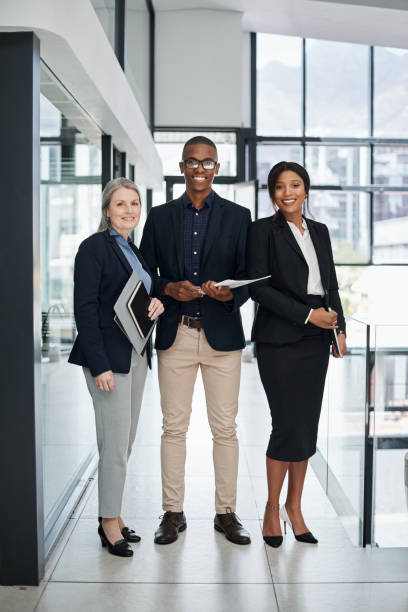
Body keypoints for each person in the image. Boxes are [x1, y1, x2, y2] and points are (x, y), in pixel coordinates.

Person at [140, 136, 252, 545]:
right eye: (192, 162)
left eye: (207, 163)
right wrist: (169, 289)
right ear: (182, 166)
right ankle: (172, 512)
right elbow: (144, 273)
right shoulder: (159, 216)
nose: (200, 169)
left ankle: (226, 514)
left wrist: (230, 294)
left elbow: (248, 275)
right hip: (177, 334)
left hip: (222, 335)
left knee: (225, 429)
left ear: (217, 168)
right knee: (174, 428)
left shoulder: (240, 217)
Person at [246, 161, 347, 548]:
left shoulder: (319, 231)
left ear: (306, 190)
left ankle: (295, 507)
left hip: (317, 340)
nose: (287, 192)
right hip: (279, 339)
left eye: (295, 185)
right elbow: (258, 289)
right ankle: (272, 509)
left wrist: (338, 330)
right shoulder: (262, 231)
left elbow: (331, 284)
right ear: (272, 193)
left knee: (305, 425)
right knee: (285, 424)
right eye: (279, 187)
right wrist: (308, 315)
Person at [68, 177, 164, 557]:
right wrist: (99, 365)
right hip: (108, 361)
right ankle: (109, 523)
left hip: (136, 355)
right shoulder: (93, 248)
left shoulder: (132, 250)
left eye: (134, 204)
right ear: (107, 210)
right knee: (113, 444)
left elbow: (142, 294)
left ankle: (115, 514)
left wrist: (157, 303)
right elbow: (86, 310)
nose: (129, 211)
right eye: (121, 204)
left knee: (123, 442)